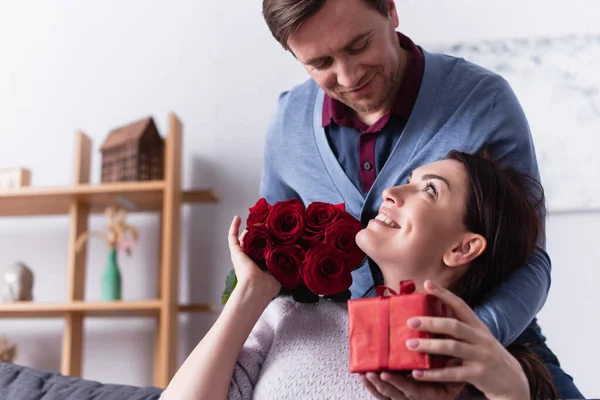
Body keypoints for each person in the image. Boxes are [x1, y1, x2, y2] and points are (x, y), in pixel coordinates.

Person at [257, 0, 582, 397]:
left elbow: (530, 258)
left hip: (494, 340)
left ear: (391, 11)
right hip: (357, 355)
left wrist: (464, 346)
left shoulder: (483, 101)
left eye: (359, 45)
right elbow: (275, 262)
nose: (348, 75)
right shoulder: (287, 124)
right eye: (320, 62)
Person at [160, 150, 557, 399]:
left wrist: (511, 393)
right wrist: (250, 293)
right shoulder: (292, 318)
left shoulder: (477, 374)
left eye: (430, 191)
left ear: (462, 248)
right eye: (409, 180)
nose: (392, 192)